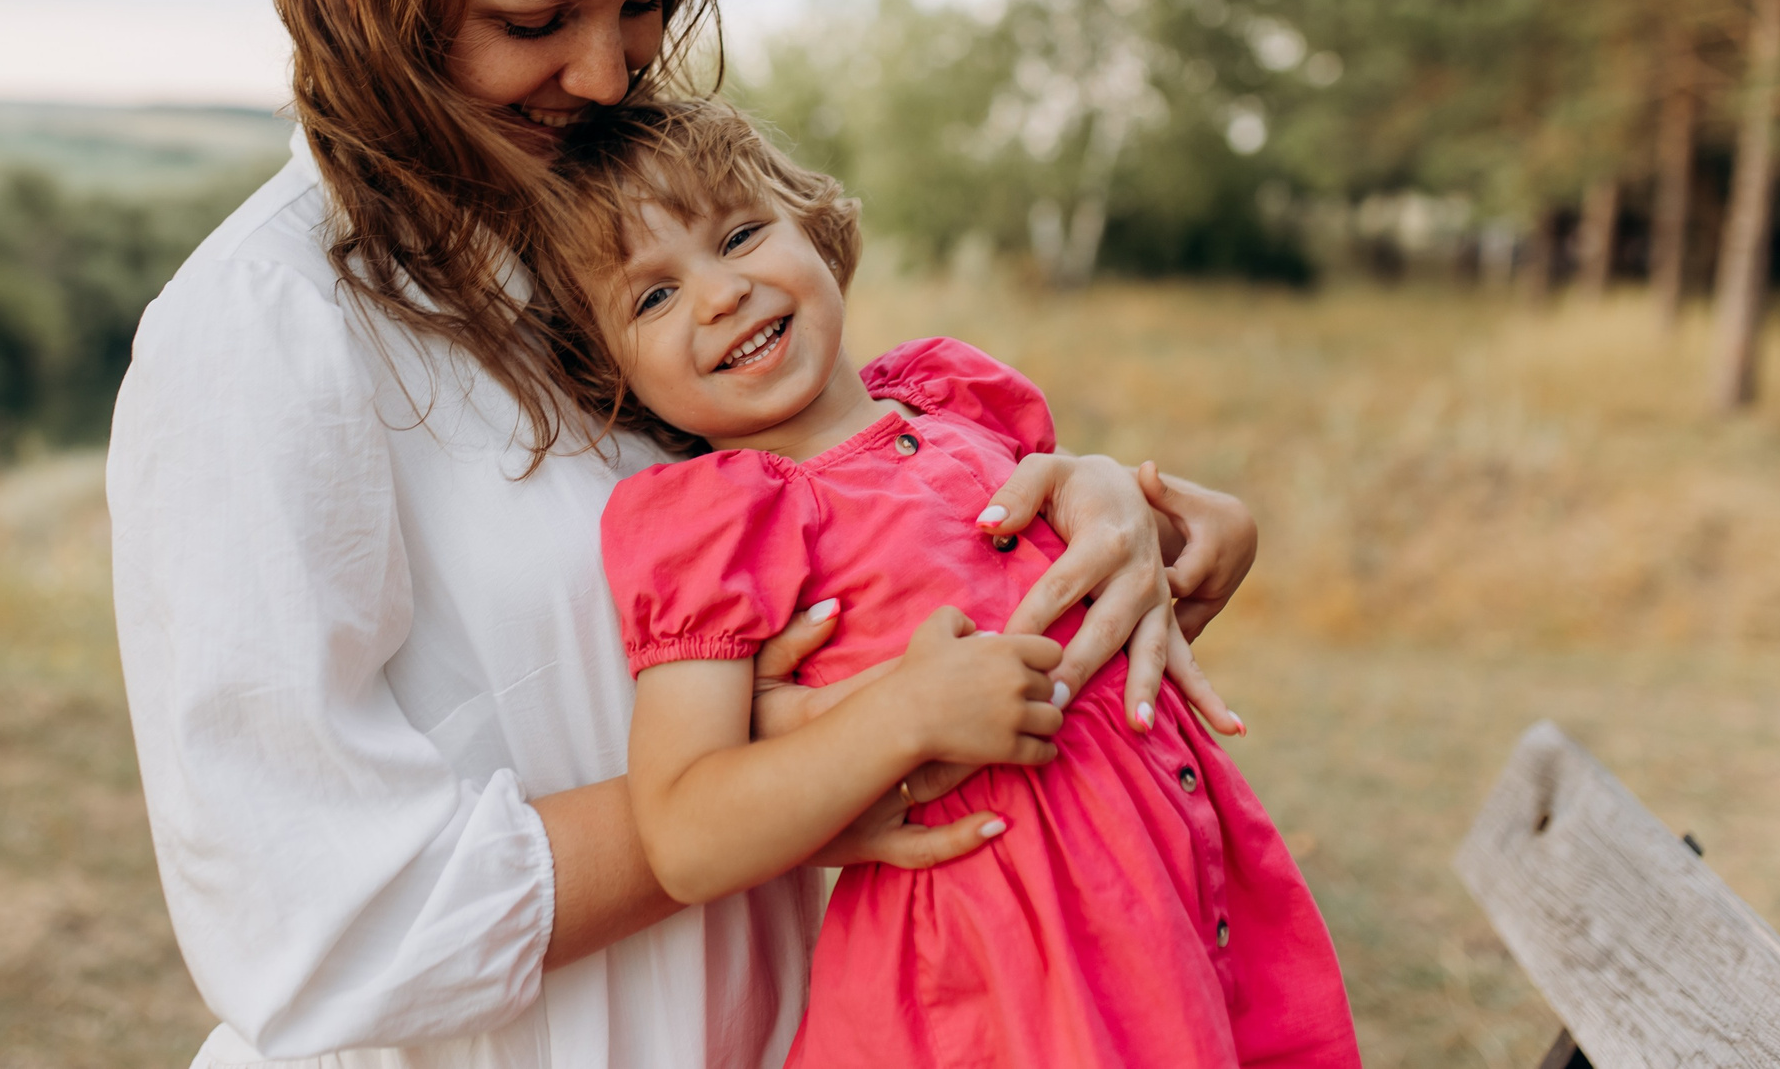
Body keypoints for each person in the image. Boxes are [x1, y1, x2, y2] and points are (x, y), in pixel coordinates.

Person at [106, 0, 1264, 1069]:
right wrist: (796, 785)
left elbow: (835, 506)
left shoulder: (611, 259)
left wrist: (1085, 501)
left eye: (645, 1)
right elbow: (318, 923)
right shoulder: (260, 332)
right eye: (538, 19)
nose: (605, 72)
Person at [550, 98, 1360, 1069]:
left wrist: (1191, 544)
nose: (719, 294)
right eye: (652, 297)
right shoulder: (717, 519)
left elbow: (1074, 656)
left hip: (1176, 885)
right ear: (608, 374)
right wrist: (905, 717)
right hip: (1005, 970)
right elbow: (685, 832)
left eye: (739, 233)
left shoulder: (956, 402)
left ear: (813, 220)